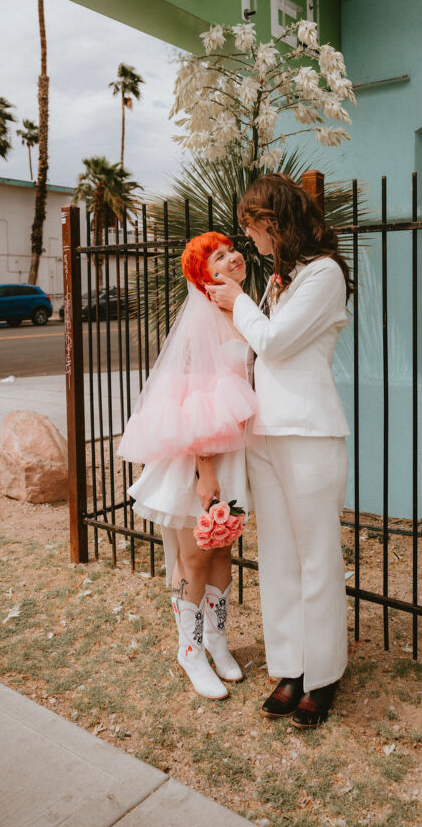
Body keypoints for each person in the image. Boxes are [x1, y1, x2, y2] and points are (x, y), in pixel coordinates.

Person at [207, 173, 351, 728]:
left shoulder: (324, 275)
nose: (250, 236)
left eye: (254, 225)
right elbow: (253, 352)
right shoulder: (277, 282)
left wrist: (239, 301)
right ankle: (290, 667)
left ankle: (323, 676)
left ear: (278, 221)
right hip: (264, 432)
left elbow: (275, 342)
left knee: (317, 557)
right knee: (279, 558)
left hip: (310, 432)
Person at [117, 232, 256, 700]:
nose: (233, 257)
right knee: (192, 556)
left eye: (231, 250)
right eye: (219, 257)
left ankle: (216, 638)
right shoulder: (203, 323)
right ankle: (190, 649)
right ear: (204, 276)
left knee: (222, 550)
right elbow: (198, 402)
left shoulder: (238, 311)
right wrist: (206, 471)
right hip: (202, 458)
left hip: (232, 454)